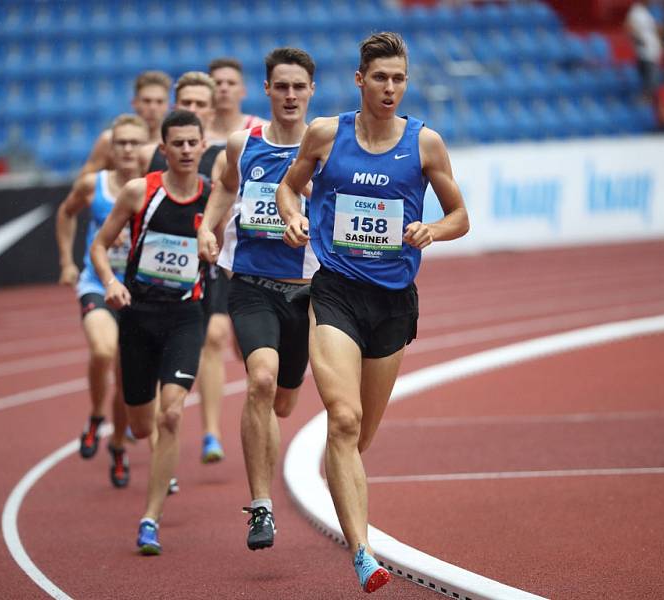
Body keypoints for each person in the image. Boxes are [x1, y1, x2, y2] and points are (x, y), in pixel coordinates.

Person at [276, 32, 469, 593]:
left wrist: (432, 228)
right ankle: (363, 554)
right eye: (380, 78)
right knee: (344, 418)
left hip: (393, 303)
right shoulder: (325, 135)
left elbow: (460, 216)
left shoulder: (425, 143)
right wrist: (292, 216)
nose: (390, 88)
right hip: (336, 290)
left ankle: (343, 482)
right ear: (360, 80)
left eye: (399, 79)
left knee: (359, 440)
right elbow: (291, 190)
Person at [197, 47, 318, 552]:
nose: (290, 95)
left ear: (311, 91)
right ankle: (261, 506)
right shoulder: (241, 144)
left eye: (299, 87)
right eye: (281, 86)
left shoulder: (330, 148)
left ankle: (268, 433)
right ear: (266, 91)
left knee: (284, 401)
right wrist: (208, 225)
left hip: (308, 293)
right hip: (251, 285)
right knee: (260, 381)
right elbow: (226, 188)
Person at [90, 110, 210, 555]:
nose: (183, 150)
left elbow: (229, 240)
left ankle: (149, 519)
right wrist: (111, 282)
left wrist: (214, 246)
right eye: (175, 143)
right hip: (138, 317)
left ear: (201, 147)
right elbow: (100, 245)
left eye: (190, 143)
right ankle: (155, 450)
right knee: (143, 426)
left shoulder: (211, 197)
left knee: (172, 414)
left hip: (185, 317)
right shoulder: (141, 192)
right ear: (163, 149)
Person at [141, 71, 231, 464]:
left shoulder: (224, 155)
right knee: (161, 348)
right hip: (165, 264)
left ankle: (211, 433)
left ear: (212, 109)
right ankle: (164, 440)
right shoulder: (160, 153)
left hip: (210, 260)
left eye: (200, 104)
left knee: (214, 337)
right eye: (186, 104)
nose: (193, 109)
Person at [56, 114, 149, 487]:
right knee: (102, 351)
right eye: (120, 143)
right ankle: (96, 414)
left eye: (134, 143)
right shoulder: (92, 186)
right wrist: (66, 261)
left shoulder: (155, 187)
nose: (127, 149)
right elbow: (65, 213)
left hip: (141, 293)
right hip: (97, 283)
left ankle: (117, 446)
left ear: (146, 146)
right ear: (111, 148)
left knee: (128, 385)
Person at [81, 71, 172, 176]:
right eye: (147, 101)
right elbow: (84, 183)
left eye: (159, 102)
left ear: (168, 105)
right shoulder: (109, 140)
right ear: (134, 103)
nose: (152, 108)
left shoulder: (173, 144)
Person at [207, 57, 268, 145]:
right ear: (208, 90)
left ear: (243, 91)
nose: (224, 88)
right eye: (218, 83)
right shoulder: (198, 132)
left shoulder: (262, 129)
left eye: (231, 83)